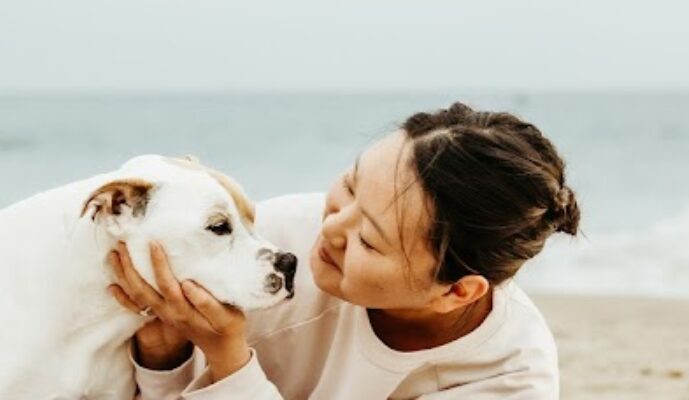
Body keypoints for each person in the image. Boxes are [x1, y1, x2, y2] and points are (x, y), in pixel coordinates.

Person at [109, 103, 578, 399]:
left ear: (457, 291)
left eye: (369, 240)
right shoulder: (277, 239)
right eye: (350, 186)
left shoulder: (509, 378)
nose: (331, 227)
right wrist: (162, 354)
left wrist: (228, 358)